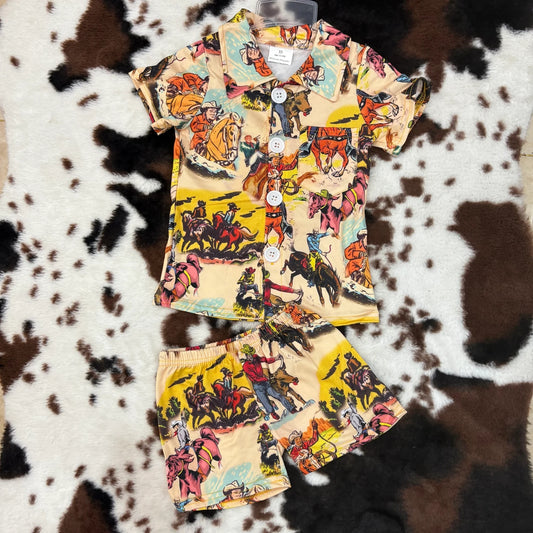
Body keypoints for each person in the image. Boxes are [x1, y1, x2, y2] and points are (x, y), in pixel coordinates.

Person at [241, 343, 295, 420]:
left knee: (278, 395)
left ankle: (291, 408)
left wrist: (275, 358)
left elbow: (265, 360)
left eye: (250, 355)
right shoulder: (246, 366)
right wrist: (265, 378)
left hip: (265, 383)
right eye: (247, 355)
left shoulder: (255, 357)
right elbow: (255, 378)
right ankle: (272, 413)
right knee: (265, 401)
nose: (249, 357)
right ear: (246, 356)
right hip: (257, 386)